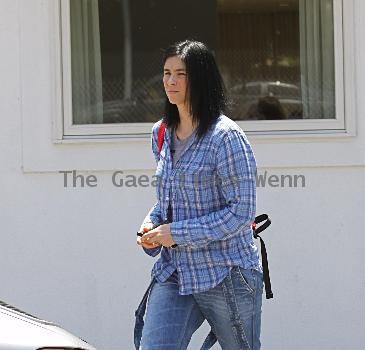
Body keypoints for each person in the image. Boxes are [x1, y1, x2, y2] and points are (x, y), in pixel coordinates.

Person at [135, 40, 263, 350]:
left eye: (181, 73)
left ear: (201, 78)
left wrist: (176, 233)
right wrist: (152, 225)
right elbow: (169, 199)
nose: (171, 81)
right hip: (175, 272)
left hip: (226, 274)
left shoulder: (226, 136)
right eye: (166, 73)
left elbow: (240, 212)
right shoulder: (161, 132)